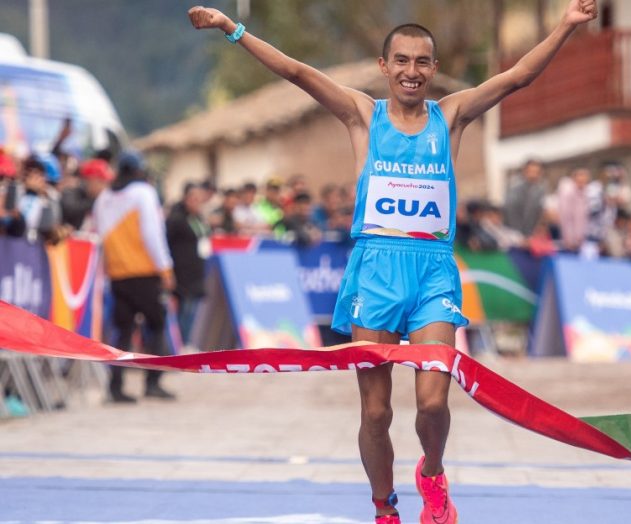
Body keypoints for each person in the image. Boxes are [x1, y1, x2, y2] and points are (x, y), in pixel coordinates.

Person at [188, 2, 599, 523]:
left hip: (432, 270)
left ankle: (432, 471)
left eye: (422, 62)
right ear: (385, 66)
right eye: (401, 60)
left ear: (433, 67)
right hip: (374, 271)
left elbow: (518, 76)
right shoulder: (363, 114)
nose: (412, 71)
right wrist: (232, 29)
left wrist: (564, 25)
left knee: (431, 402)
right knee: (376, 411)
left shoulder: (450, 116)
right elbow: (295, 70)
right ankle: (384, 508)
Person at [92, 151, 176, 403]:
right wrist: (166, 268)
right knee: (157, 326)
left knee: (122, 332)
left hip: (117, 275)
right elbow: (152, 233)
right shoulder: (143, 192)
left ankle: (115, 387)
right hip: (145, 272)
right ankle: (153, 382)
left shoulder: (104, 198)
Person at [166, 182, 210, 346]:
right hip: (182, 269)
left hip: (196, 268)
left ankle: (187, 340)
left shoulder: (198, 219)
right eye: (194, 199)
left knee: (194, 306)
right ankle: (180, 341)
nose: (197, 202)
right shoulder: (176, 218)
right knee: (184, 307)